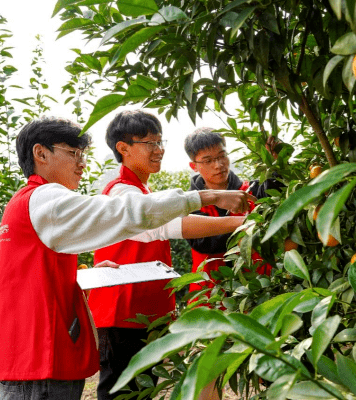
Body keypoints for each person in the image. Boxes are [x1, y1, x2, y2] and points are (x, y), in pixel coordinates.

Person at [0, 116, 254, 400]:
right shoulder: (46, 198)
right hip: (45, 354)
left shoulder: (30, 203)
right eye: (73, 153)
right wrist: (210, 198)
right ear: (41, 153)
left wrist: (85, 276)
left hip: (40, 353)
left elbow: (30, 275)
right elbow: (138, 214)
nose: (82, 163)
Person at [87, 110, 251, 400]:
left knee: (141, 391)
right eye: (150, 143)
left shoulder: (142, 189)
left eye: (160, 141)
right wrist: (243, 222)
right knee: (122, 391)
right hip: (122, 312)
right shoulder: (121, 192)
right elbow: (168, 227)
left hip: (144, 312)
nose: (159, 150)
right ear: (123, 148)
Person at [184, 128, 283, 299]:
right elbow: (205, 242)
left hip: (258, 293)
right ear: (194, 166)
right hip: (211, 297)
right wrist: (246, 224)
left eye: (222, 156)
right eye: (208, 160)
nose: (218, 165)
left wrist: (274, 165)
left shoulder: (250, 191)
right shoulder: (190, 204)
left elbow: (275, 196)